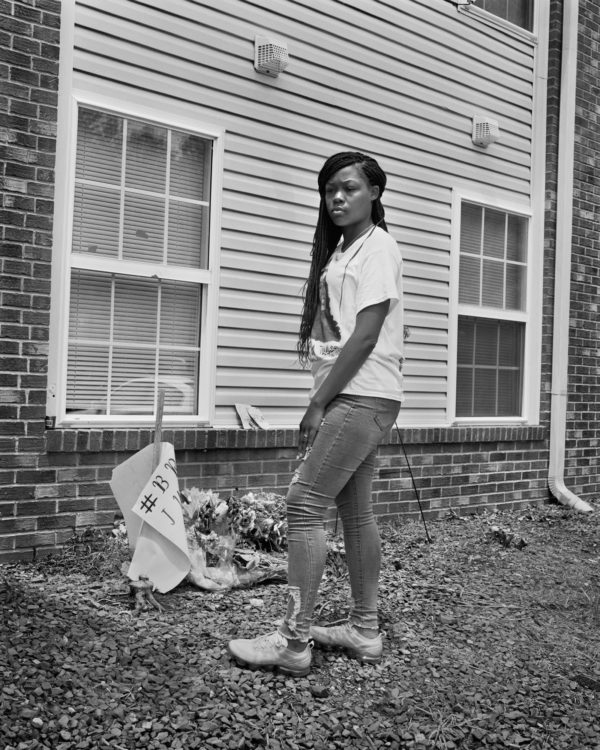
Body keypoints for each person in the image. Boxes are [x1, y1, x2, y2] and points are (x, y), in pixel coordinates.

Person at [228, 151, 404, 676]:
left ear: (374, 192)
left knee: (304, 501)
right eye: (330, 190)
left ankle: (293, 640)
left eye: (348, 188)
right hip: (367, 395)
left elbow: (368, 334)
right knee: (355, 510)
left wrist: (319, 401)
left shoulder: (379, 248)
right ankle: (364, 629)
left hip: (359, 396)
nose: (337, 198)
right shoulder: (346, 250)